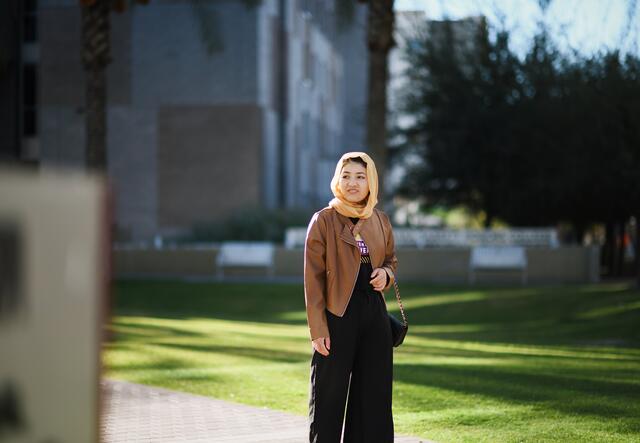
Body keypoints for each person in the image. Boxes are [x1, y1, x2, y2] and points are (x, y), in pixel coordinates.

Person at [304, 151, 398, 442]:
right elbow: (313, 279)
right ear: (337, 180)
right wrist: (318, 329)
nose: (352, 183)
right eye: (346, 176)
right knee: (328, 397)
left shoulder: (380, 220)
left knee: (374, 395)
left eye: (360, 176)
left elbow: (391, 260)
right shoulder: (324, 220)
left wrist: (386, 274)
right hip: (336, 315)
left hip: (374, 314)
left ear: (371, 182)